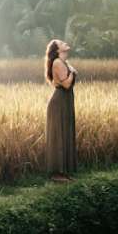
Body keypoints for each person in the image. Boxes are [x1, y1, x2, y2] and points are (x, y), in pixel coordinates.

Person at [44, 38, 78, 182]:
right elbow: (66, 84)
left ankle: (63, 172)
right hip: (59, 101)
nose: (65, 43)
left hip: (65, 100)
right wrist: (73, 73)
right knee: (59, 135)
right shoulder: (58, 62)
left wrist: (71, 70)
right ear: (58, 50)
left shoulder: (64, 62)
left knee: (65, 133)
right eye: (61, 43)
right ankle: (57, 174)